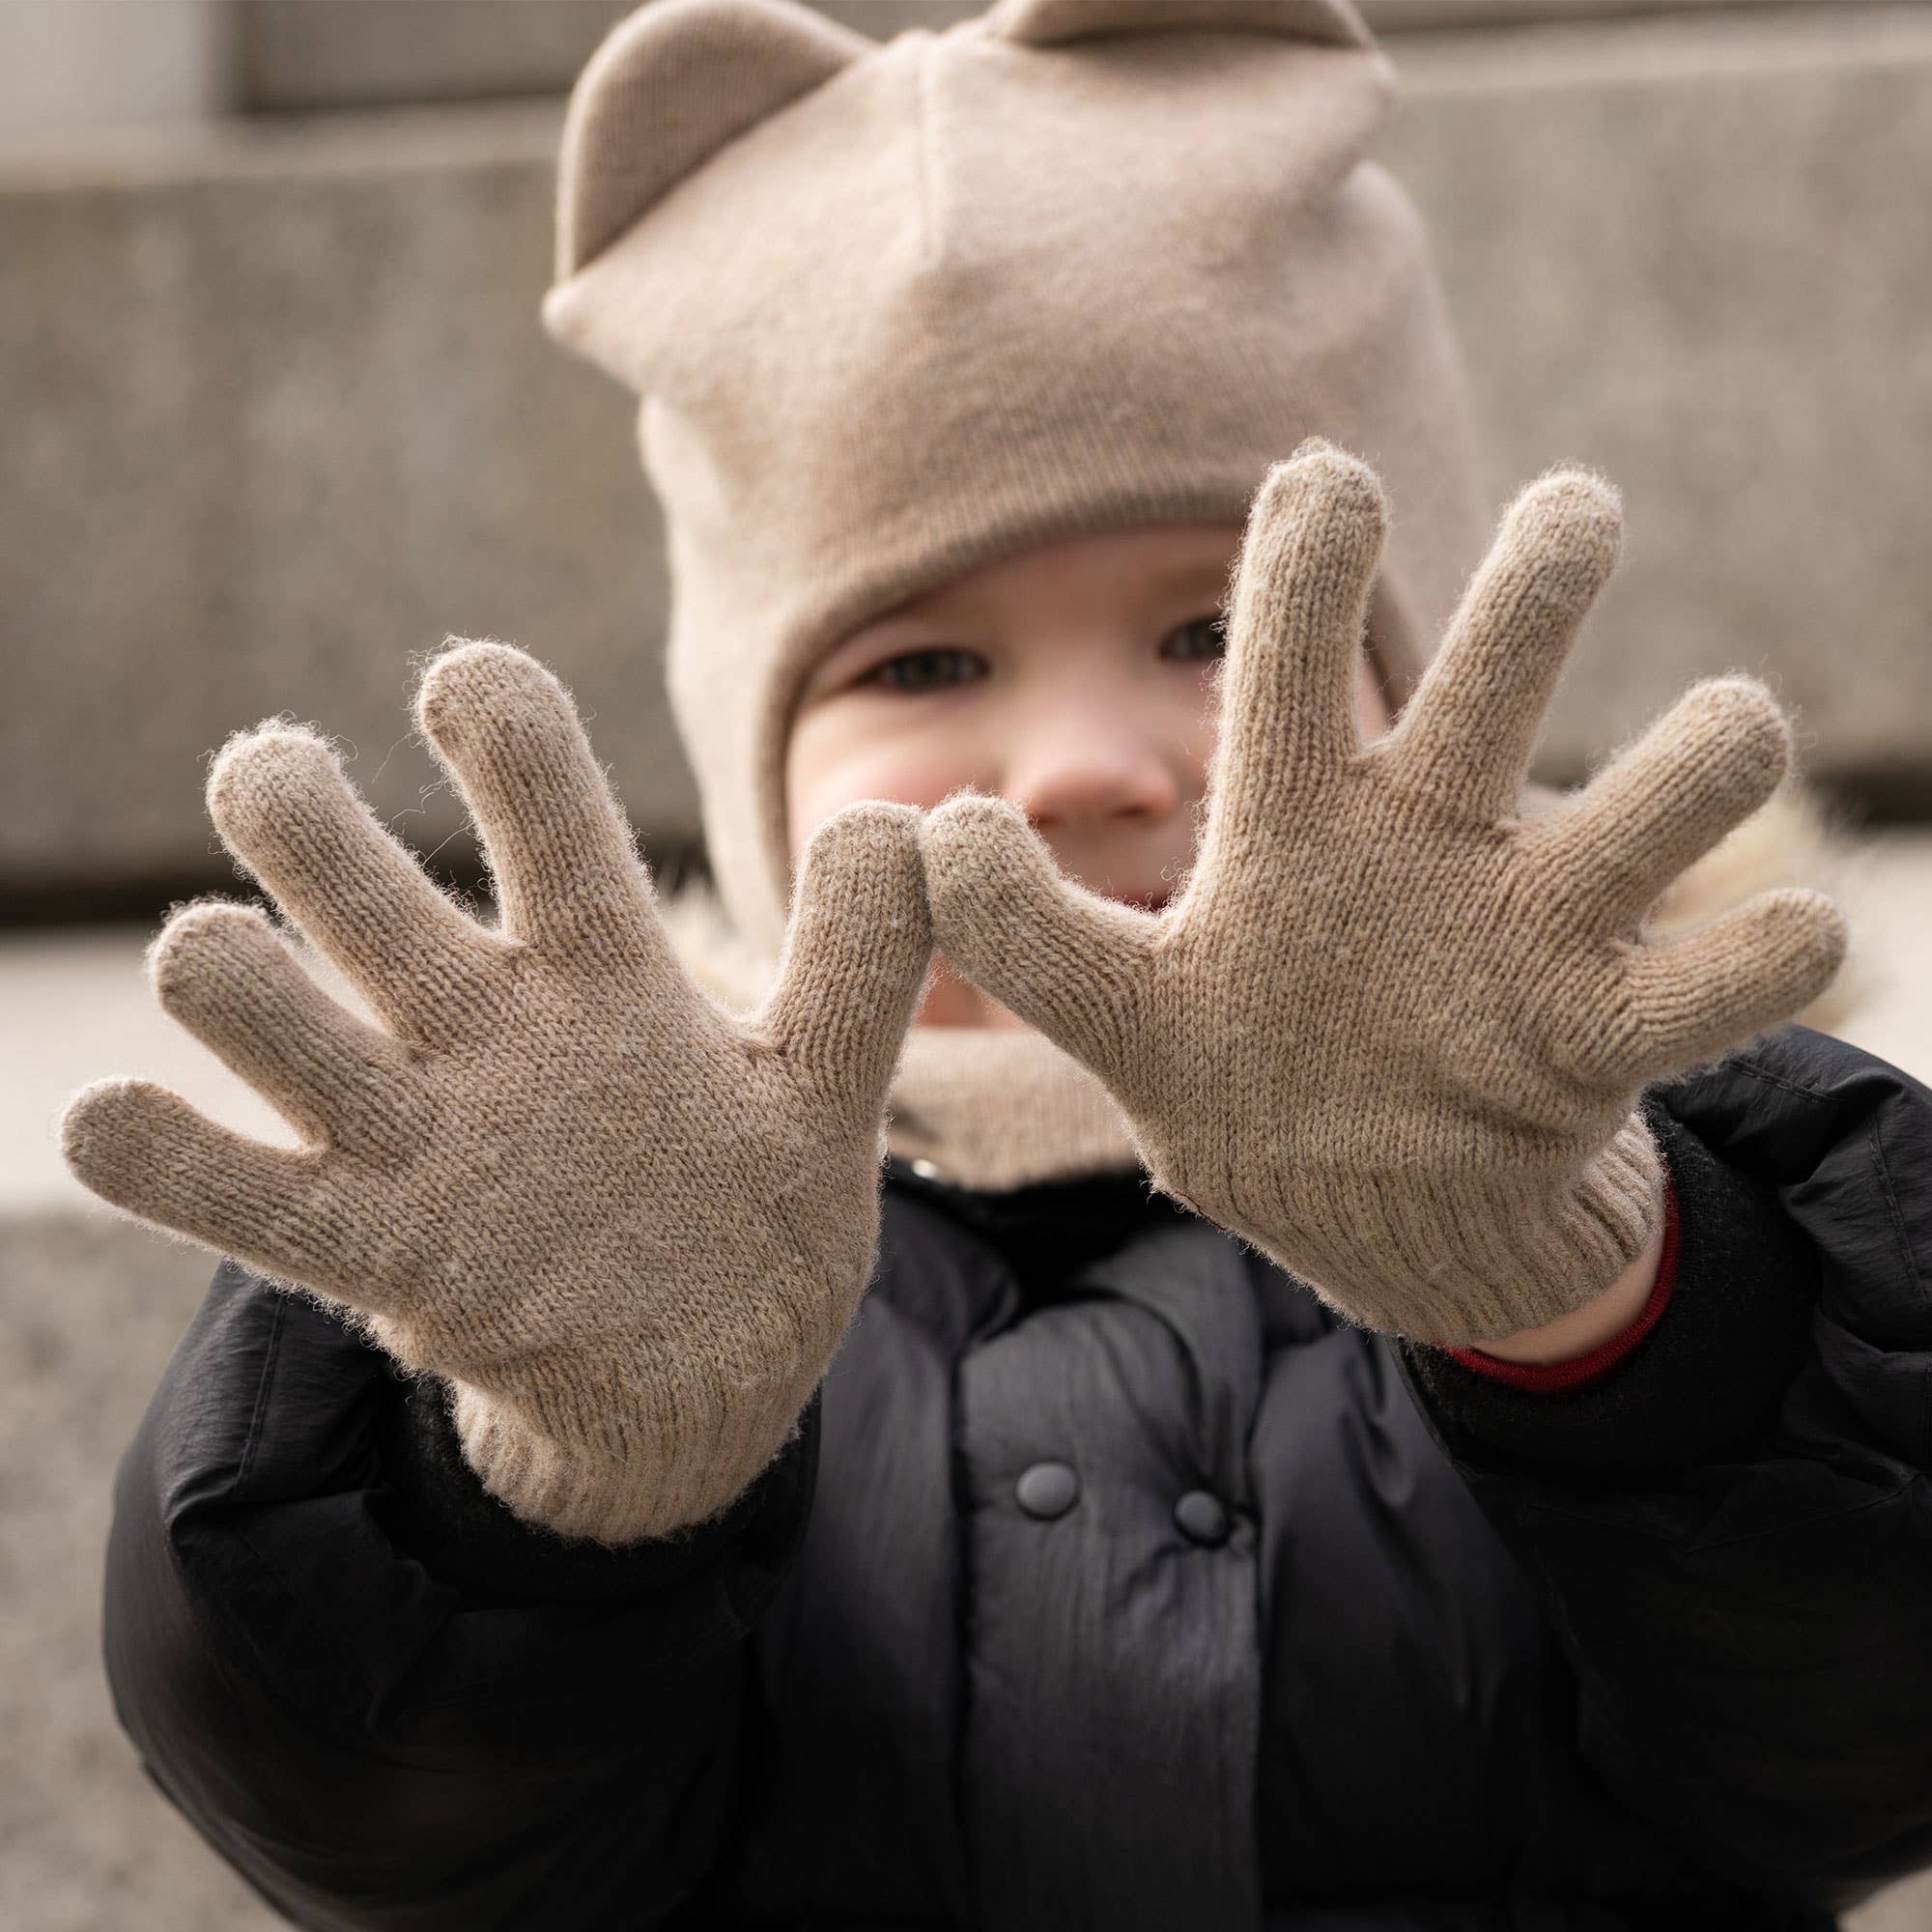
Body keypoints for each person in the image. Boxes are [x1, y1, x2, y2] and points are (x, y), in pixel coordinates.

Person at [57, 1, 1932, 1927]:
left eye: (1215, 629)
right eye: (924, 665)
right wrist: (566, 1477)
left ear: (1433, 693)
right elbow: (396, 1828)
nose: (1079, 765)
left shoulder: (1681, 1209)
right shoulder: (588, 1243)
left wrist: (1576, 1286)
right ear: (752, 780)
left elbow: (1848, 1733)